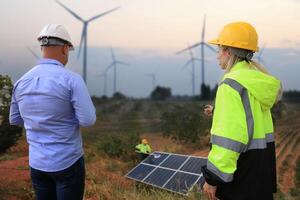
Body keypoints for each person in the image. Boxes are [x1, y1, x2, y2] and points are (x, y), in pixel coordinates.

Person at [9, 24, 96, 200]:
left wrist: (37, 120)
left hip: (37, 163)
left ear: (42, 47)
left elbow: (14, 119)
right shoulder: (72, 80)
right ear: (65, 49)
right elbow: (87, 120)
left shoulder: (21, 81)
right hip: (67, 162)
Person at [201, 22, 282, 200]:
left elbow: (230, 139)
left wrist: (213, 179)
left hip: (241, 179)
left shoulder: (230, 84)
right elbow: (249, 118)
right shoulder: (255, 82)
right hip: (261, 176)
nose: (217, 55)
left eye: (219, 49)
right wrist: (218, 111)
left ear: (228, 51)